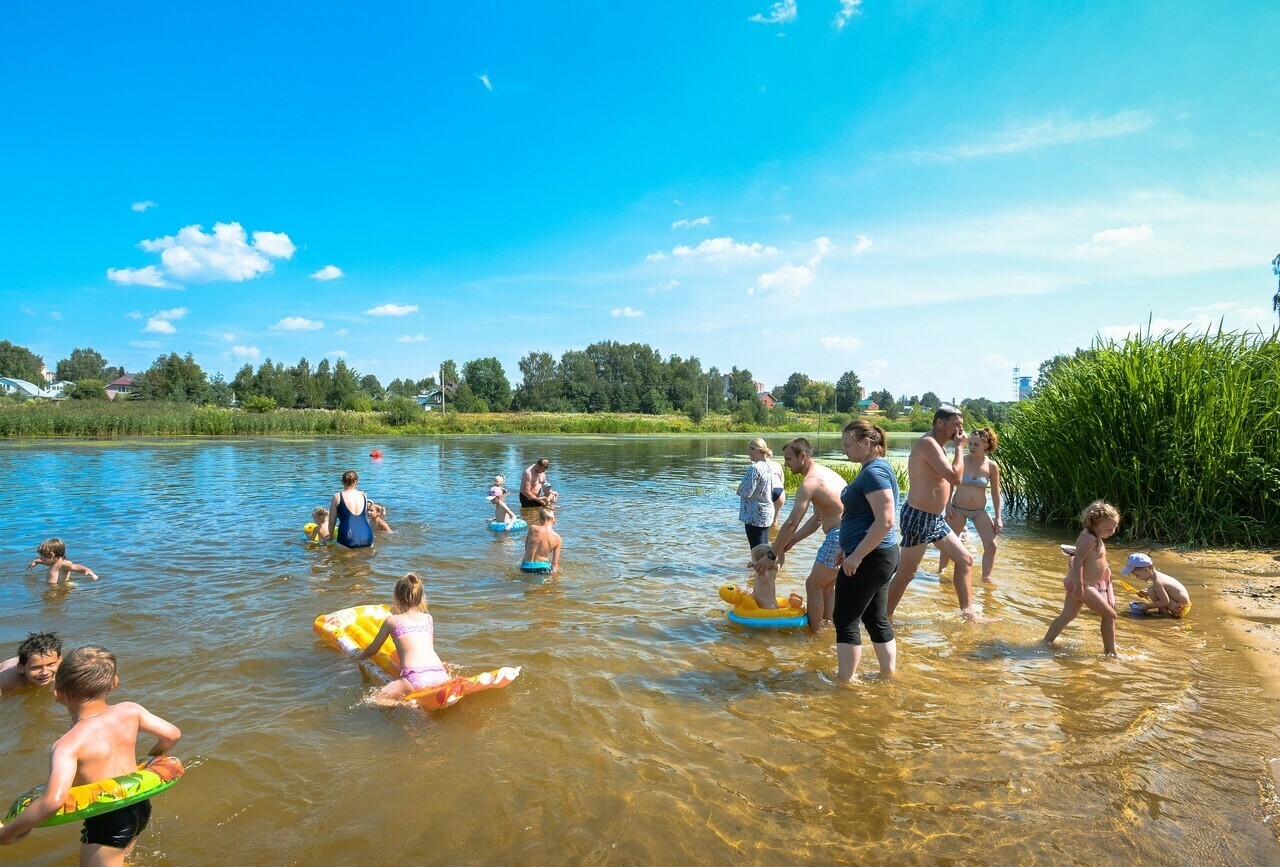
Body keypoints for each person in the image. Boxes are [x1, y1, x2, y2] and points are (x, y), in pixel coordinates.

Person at [0, 646, 182, 864]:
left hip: (107, 820)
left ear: (57, 694)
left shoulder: (67, 744)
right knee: (121, 855)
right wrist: (149, 758)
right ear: (114, 682)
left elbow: (53, 801)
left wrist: (8, 833)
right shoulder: (130, 710)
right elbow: (172, 735)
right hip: (139, 804)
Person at [885, 406, 976, 618]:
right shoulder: (928, 444)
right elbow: (956, 477)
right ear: (940, 423)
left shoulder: (940, 446)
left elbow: (945, 481)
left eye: (961, 425)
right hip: (919, 516)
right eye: (956, 424)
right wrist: (960, 448)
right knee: (907, 573)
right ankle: (883, 616)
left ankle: (969, 614)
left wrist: (947, 505)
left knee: (965, 560)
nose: (960, 430)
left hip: (934, 519)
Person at [833, 420, 901, 682]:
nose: (844, 451)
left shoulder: (874, 472)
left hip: (871, 558)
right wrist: (846, 547)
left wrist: (858, 554)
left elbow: (885, 520)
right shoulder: (875, 468)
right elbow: (863, 515)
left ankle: (844, 683)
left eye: (848, 445)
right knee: (874, 618)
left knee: (845, 619)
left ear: (867, 443)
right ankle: (888, 676)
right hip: (878, 556)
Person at [756, 437, 846, 632]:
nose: (786, 464)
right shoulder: (826, 474)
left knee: (812, 584)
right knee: (826, 587)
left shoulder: (809, 484)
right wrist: (791, 543)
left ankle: (814, 636)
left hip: (838, 536)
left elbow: (791, 523)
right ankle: (827, 630)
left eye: (789, 459)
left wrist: (771, 555)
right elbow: (817, 520)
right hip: (851, 534)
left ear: (803, 456)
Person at [1043, 501, 1121, 655]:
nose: (1112, 532)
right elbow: (1078, 560)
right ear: (1094, 524)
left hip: (1079, 583)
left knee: (1067, 616)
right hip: (1082, 585)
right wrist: (1079, 586)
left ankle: (1045, 643)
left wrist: (1105, 570)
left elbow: (1093, 559)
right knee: (1110, 615)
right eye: (1108, 528)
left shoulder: (1093, 536)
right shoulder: (1090, 539)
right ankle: (1111, 653)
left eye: (1114, 527)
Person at [357, 573, 449, 702]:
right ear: (421, 598)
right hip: (440, 673)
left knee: (374, 700)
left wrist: (359, 658)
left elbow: (372, 650)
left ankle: (409, 704)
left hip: (415, 678)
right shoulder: (428, 618)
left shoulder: (393, 621)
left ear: (397, 598)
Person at [938, 427, 1003, 582]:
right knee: (948, 544)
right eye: (970, 444)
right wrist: (947, 505)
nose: (972, 447)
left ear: (986, 446)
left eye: (976, 445)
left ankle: (986, 578)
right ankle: (941, 573)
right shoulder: (962, 461)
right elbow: (950, 484)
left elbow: (995, 493)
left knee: (992, 546)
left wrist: (998, 517)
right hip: (958, 509)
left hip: (979, 511)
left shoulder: (992, 466)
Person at [737, 438, 776, 549]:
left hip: (754, 514)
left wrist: (739, 488)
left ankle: (759, 566)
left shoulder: (755, 468)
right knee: (763, 547)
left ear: (755, 450)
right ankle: (767, 565)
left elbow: (746, 492)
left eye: (749, 449)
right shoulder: (768, 466)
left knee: (756, 550)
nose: (748, 453)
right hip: (766, 512)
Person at [1125, 553, 1192, 617]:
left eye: (1137, 575)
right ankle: (1163, 612)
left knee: (1152, 592)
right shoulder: (1158, 576)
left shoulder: (1158, 582)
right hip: (1182, 605)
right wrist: (1146, 593)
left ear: (1146, 570)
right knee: (1151, 590)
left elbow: (1165, 602)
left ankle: (1165, 615)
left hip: (1180, 608)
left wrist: (1148, 606)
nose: (1137, 577)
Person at [0, 631, 62, 696]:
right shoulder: (5, 682)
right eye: (35, 667)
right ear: (21, 668)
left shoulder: (64, 671)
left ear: (59, 660)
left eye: (50, 664)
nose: (45, 672)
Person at [328, 470, 374, 549]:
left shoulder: (337, 496)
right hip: (367, 537)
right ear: (356, 482)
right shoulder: (364, 495)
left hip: (347, 538)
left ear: (342, 482)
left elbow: (332, 522)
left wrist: (330, 538)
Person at [27, 538, 99, 585]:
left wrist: (86, 570)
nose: (40, 558)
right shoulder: (52, 563)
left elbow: (75, 567)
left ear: (51, 555)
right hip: (53, 587)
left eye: (42, 556)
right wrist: (35, 561)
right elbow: (43, 562)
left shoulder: (63, 565)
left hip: (59, 588)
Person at [522, 508, 562, 574]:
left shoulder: (533, 528)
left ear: (540, 519)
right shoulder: (557, 538)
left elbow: (526, 547)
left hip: (525, 566)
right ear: (554, 520)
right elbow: (555, 564)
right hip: (542, 568)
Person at [769, 454, 786, 529]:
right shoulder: (777, 464)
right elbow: (782, 480)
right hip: (779, 490)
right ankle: (774, 537)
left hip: (768, 490)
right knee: (775, 520)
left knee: (762, 522)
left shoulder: (758, 465)